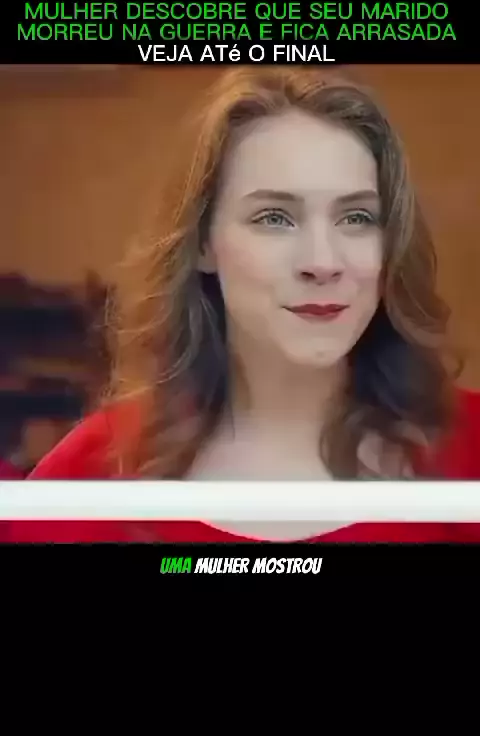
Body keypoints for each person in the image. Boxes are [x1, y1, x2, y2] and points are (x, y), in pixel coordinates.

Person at [6, 66, 480, 543]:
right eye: (274, 218)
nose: (322, 262)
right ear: (203, 243)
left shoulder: (469, 451)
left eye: (356, 217)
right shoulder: (86, 480)